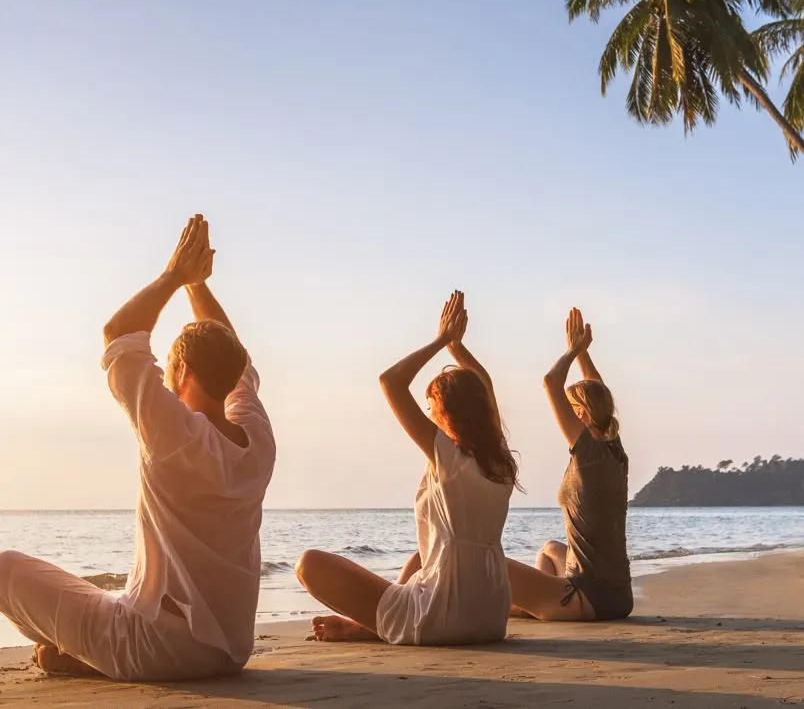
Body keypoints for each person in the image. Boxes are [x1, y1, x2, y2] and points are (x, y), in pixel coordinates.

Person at [0, 214, 276, 680]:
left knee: (4, 568)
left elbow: (119, 335)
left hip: (154, 648)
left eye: (170, 370)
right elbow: (237, 358)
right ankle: (82, 654)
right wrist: (197, 286)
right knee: (111, 600)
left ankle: (89, 657)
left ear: (183, 370)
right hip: (230, 651)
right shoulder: (257, 436)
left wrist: (175, 275)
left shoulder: (174, 432)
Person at [295, 291, 519, 645]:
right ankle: (372, 626)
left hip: (444, 615)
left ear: (448, 412)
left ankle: (374, 627)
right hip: (491, 614)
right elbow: (485, 388)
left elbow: (391, 382)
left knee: (309, 564)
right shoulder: (501, 462)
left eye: (432, 407)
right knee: (420, 558)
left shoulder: (450, 458)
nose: (429, 415)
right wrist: (457, 350)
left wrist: (442, 340)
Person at [507, 307, 632, 621]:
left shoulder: (588, 453)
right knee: (550, 549)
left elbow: (551, 383)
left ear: (580, 415)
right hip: (618, 595)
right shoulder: (615, 451)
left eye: (573, 406)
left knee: (491, 567)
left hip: (589, 596)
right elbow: (599, 391)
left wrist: (573, 350)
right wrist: (583, 356)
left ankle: (532, 609)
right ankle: (534, 607)